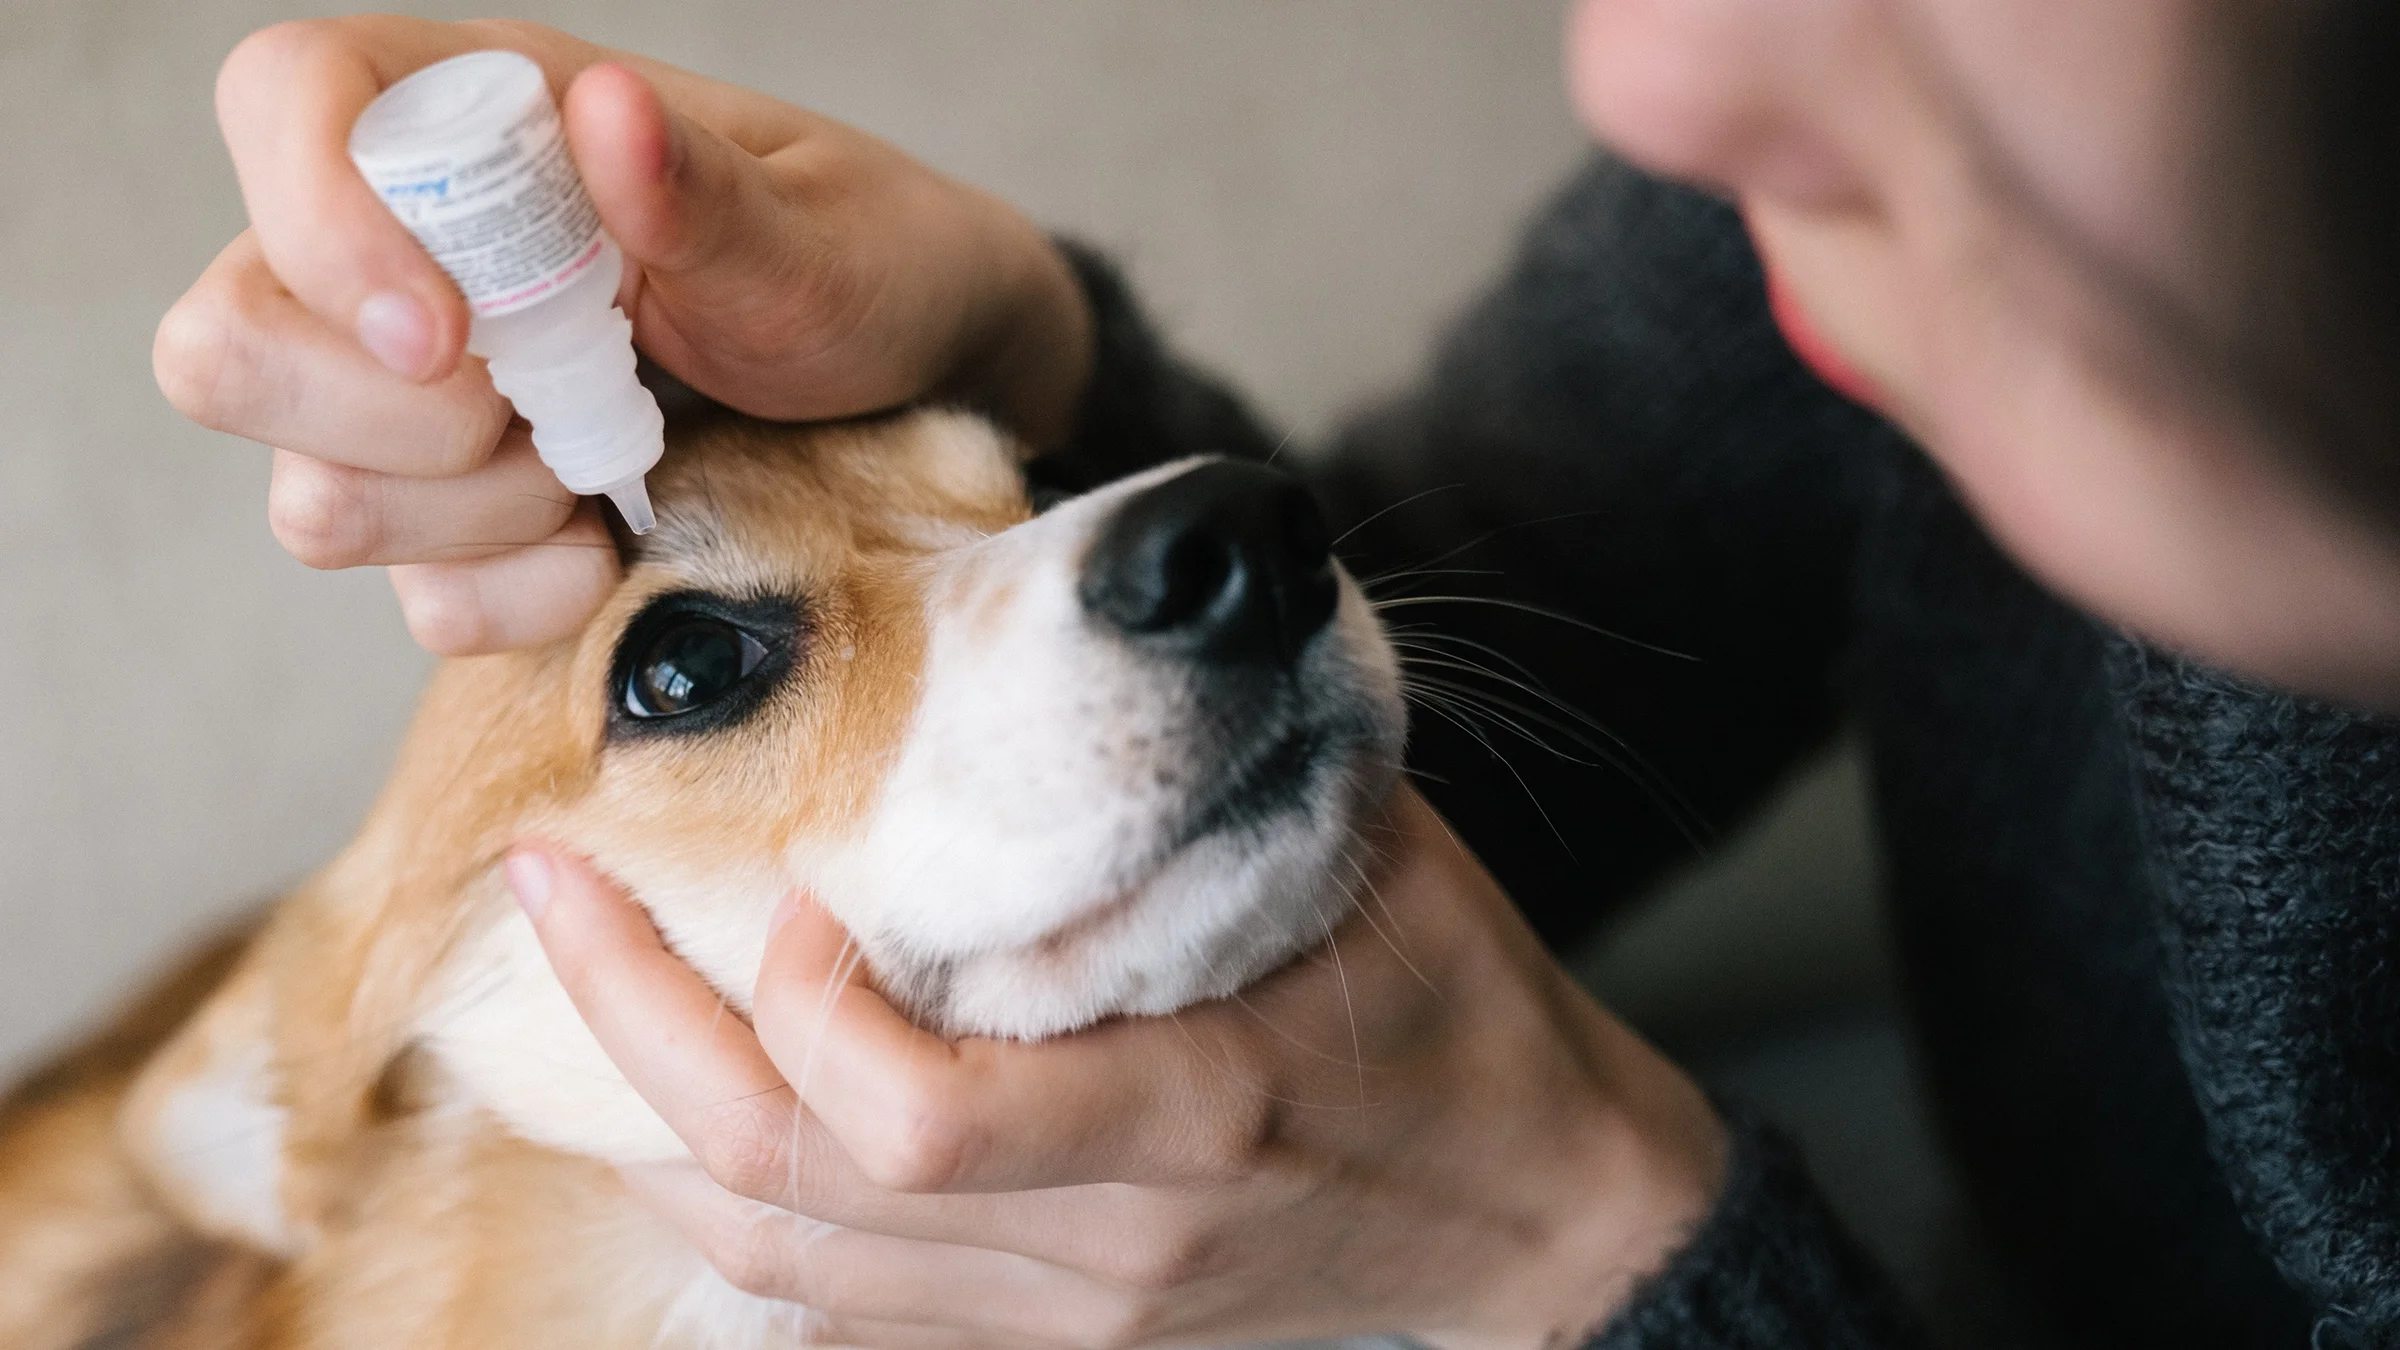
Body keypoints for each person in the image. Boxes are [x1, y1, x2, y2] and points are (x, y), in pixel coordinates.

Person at [152, 5, 2400, 1347]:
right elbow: (1556, 598)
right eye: (708, 666)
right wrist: (1007, 341)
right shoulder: (1875, 209)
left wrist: (1587, 1242)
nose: (1647, 70)